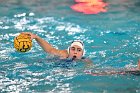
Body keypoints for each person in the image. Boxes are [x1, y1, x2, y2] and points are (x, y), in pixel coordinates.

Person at [21, 32, 93, 65]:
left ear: (82, 53)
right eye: (73, 49)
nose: (75, 52)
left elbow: (91, 69)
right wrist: (36, 37)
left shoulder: (85, 60)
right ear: (69, 50)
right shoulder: (63, 54)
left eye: (79, 50)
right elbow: (49, 49)